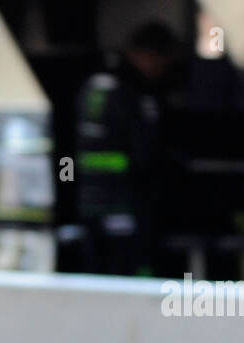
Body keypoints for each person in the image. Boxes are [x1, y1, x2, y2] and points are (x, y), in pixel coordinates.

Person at [73, 21, 186, 276]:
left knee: (94, 276)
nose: (161, 69)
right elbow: (146, 152)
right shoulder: (133, 91)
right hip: (125, 201)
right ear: (146, 54)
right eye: (161, 61)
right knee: (131, 274)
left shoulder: (92, 83)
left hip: (88, 201)